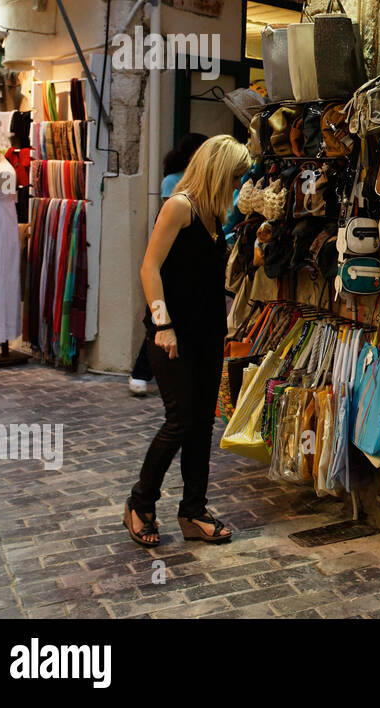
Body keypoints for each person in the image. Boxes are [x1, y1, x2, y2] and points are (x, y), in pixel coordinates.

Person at [124, 135, 249, 547]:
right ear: (217, 170)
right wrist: (162, 325)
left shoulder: (215, 218)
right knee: (180, 421)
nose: (237, 185)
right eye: (234, 176)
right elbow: (150, 267)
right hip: (172, 337)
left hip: (209, 335)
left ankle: (193, 510)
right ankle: (140, 503)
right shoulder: (180, 207)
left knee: (200, 426)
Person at [129, 133, 208, 396]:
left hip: (195, 279)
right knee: (161, 320)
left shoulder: (211, 194)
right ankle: (141, 372)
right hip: (172, 261)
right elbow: (150, 264)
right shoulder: (175, 189)